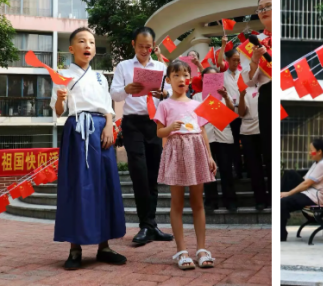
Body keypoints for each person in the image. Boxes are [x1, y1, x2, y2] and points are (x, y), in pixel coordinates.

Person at [51, 27, 126, 270]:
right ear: (71, 49)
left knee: (104, 185)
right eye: (82, 42)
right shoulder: (63, 75)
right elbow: (59, 111)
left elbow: (108, 106)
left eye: (92, 42)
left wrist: (109, 126)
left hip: (101, 132)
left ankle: (104, 246)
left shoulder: (100, 77)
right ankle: (75, 249)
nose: (88, 46)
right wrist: (61, 98)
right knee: (77, 187)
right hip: (77, 131)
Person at [110, 27, 174, 244]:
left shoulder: (161, 66)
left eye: (148, 47)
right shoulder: (124, 66)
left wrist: (164, 93)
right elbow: (114, 93)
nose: (145, 50)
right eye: (140, 46)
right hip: (132, 124)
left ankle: (151, 224)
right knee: (139, 172)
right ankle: (145, 225)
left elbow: (172, 93)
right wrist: (127, 88)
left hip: (154, 123)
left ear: (153, 46)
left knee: (153, 174)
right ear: (133, 45)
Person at [154, 60, 217, 270]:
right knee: (177, 203)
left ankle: (201, 249)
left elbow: (202, 132)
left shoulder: (197, 104)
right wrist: (171, 127)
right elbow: (159, 132)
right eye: (177, 75)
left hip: (196, 150)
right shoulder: (164, 105)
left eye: (185, 75)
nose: (182, 79)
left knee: (198, 202)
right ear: (169, 80)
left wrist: (209, 157)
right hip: (176, 150)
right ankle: (181, 250)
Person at [241, 0, 272, 207]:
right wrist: (254, 60)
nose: (263, 11)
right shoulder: (254, 42)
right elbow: (250, 82)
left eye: (268, 6)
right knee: (269, 147)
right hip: (268, 93)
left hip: (289, 88)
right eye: (260, 9)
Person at [192, 67, 238, 211]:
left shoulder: (225, 94)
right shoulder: (197, 97)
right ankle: (211, 201)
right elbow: (195, 117)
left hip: (224, 136)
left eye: (215, 77)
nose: (212, 80)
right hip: (207, 138)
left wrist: (225, 97)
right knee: (208, 170)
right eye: (208, 77)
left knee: (226, 170)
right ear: (204, 79)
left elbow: (232, 111)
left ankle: (230, 200)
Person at [280, 139, 323, 242]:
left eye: (311, 150)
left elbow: (306, 184)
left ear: (319, 151)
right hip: (309, 192)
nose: (309, 153)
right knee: (289, 175)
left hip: (316, 196)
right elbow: (305, 179)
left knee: (283, 201)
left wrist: (289, 193)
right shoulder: (317, 163)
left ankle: (281, 234)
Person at [238, 86, 268, 210]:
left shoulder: (267, 88)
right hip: (248, 133)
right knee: (254, 169)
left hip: (266, 131)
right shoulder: (245, 89)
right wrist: (241, 96)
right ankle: (260, 200)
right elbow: (241, 113)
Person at [219, 36, 244, 180]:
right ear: (227, 60)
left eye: (238, 60)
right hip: (229, 112)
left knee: (244, 142)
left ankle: (245, 167)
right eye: (233, 60)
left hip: (243, 111)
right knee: (234, 142)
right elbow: (218, 62)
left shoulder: (243, 75)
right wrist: (223, 45)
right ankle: (238, 170)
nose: (236, 62)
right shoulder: (222, 76)